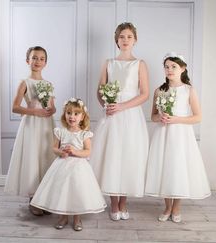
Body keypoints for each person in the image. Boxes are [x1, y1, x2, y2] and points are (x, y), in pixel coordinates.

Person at [90, 22, 149, 221]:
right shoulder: (108, 63)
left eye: (129, 37)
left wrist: (123, 106)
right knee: (112, 156)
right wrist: (107, 104)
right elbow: (100, 90)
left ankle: (124, 202)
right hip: (112, 116)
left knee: (128, 157)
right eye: (121, 37)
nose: (125, 40)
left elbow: (145, 94)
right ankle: (114, 203)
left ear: (135, 40)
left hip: (131, 116)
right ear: (116, 40)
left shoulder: (139, 64)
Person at [145, 52, 211, 223]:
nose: (169, 70)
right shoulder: (159, 90)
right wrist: (161, 118)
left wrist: (176, 119)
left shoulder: (189, 90)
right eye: (166, 67)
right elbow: (152, 116)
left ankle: (177, 207)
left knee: (179, 168)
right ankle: (167, 206)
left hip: (181, 135)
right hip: (163, 134)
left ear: (183, 68)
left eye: (173, 66)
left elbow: (198, 117)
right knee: (165, 167)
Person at [30, 98, 107, 230]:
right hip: (62, 165)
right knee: (62, 190)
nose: (72, 117)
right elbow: (54, 148)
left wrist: (75, 151)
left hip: (78, 167)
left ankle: (77, 218)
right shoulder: (61, 131)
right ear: (64, 115)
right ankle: (63, 217)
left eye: (76, 114)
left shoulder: (84, 134)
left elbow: (88, 152)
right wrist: (61, 152)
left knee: (76, 190)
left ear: (82, 117)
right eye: (69, 113)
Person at [4, 46, 56, 216]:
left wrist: (51, 110)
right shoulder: (24, 83)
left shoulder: (48, 84)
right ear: (28, 61)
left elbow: (51, 107)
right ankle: (33, 199)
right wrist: (34, 110)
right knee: (33, 156)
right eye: (34, 58)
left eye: (41, 59)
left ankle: (44, 198)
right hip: (32, 124)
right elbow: (15, 107)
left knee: (45, 156)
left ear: (46, 63)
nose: (37, 61)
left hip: (46, 125)